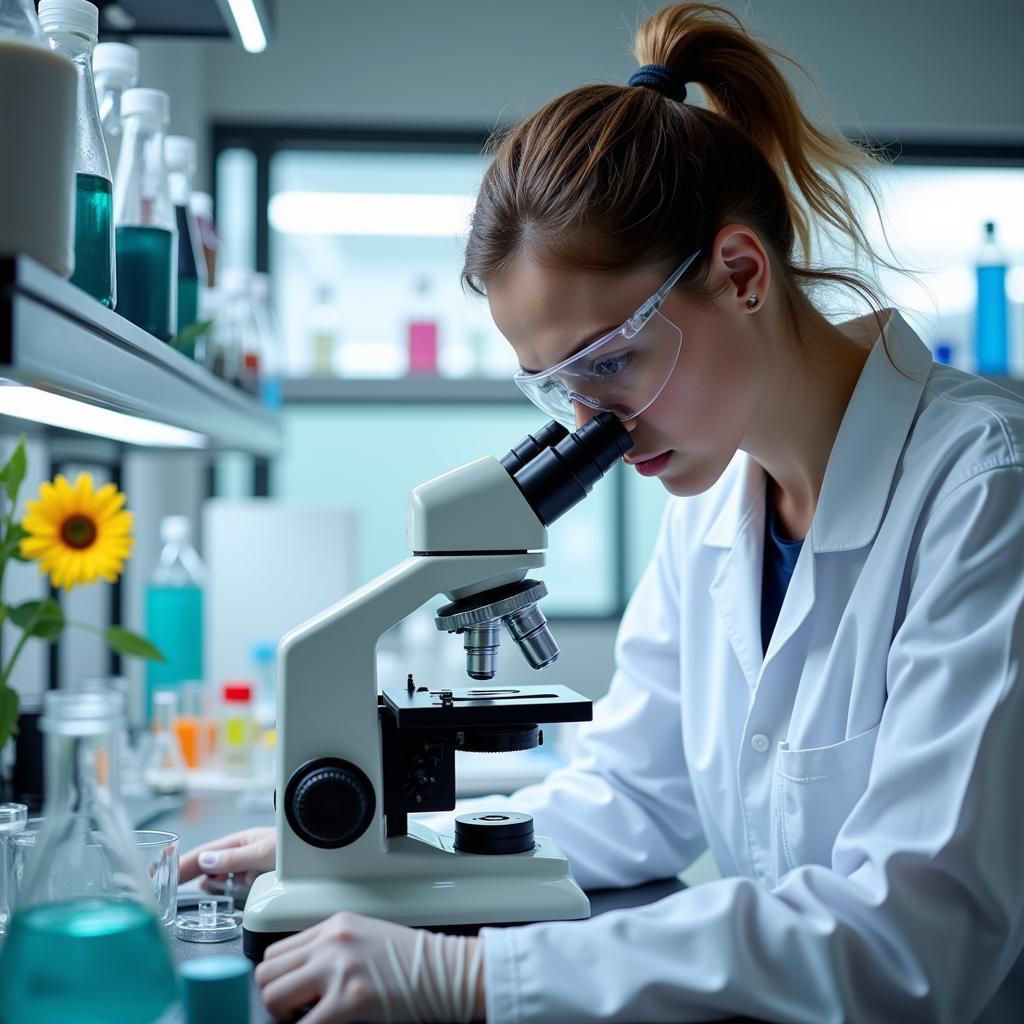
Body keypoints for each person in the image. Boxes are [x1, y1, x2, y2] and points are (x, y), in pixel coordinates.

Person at [181, 4, 1024, 1020]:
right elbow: (628, 798)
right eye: (556, 388)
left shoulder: (984, 491)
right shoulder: (711, 509)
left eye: (611, 361)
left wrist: (473, 977)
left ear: (742, 274)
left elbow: (914, 932)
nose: (596, 425)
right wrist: (372, 854)